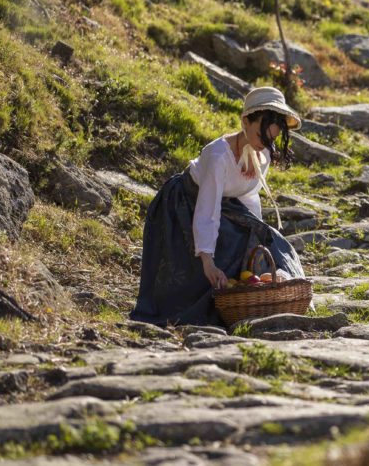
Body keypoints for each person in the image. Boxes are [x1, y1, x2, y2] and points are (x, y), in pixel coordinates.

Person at [131, 86, 307, 325]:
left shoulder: (262, 153)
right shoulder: (218, 156)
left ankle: (270, 295)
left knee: (271, 241)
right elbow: (207, 208)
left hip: (227, 206)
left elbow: (249, 197)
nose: (264, 144)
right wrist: (207, 261)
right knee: (222, 253)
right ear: (245, 121)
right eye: (260, 135)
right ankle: (214, 305)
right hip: (185, 204)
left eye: (271, 138)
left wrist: (258, 233)